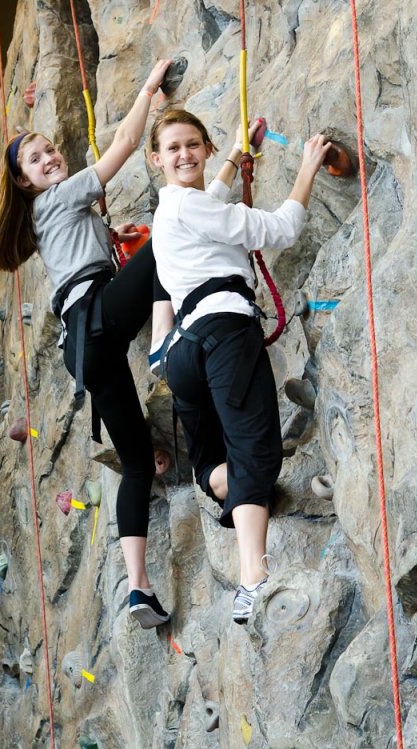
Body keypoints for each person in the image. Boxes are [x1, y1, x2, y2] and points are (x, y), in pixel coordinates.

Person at [0, 59, 174, 630]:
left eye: (48, 150)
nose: (49, 158)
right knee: (172, 238)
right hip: (95, 322)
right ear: (24, 180)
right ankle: (162, 341)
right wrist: (148, 85)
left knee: (137, 465)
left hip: (83, 346)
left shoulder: (51, 217)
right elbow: (127, 142)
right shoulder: (61, 197)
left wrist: (111, 243)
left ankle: (137, 589)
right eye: (35, 159)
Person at [149, 109, 331, 624]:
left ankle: (233, 487)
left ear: (204, 149)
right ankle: (254, 575)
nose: (184, 154)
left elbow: (210, 203)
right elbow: (280, 228)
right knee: (256, 451)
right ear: (155, 158)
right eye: (174, 147)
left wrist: (234, 155)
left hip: (185, 352)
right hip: (225, 333)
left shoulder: (171, 212)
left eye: (192, 145)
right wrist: (307, 167)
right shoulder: (189, 205)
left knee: (211, 466)